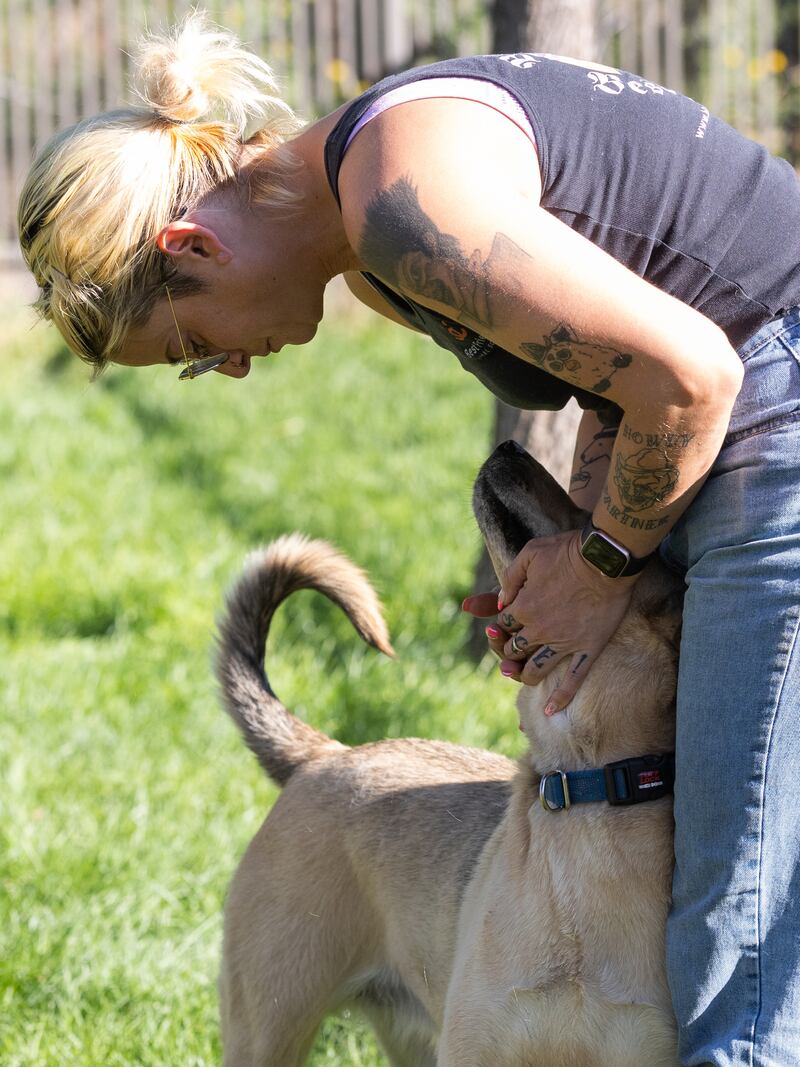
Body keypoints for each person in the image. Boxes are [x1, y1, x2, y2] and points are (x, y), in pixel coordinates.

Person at [17, 14, 800, 1066]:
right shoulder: (377, 250)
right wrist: (565, 568)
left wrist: (606, 562)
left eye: (197, 347)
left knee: (736, 946)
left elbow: (693, 374)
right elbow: (616, 385)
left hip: (766, 394)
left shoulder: (402, 208)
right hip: (739, 405)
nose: (233, 370)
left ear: (191, 247)